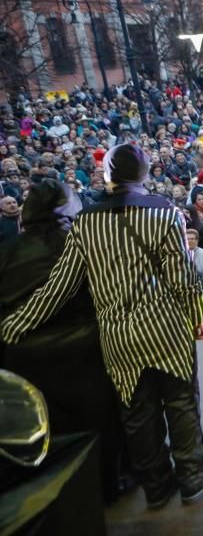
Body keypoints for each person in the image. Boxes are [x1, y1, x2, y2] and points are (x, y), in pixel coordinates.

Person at [0, 144, 203, 509]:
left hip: (117, 336)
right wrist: (197, 316)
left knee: (137, 413)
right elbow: (182, 280)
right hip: (166, 329)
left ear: (107, 177)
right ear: (145, 174)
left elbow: (60, 286)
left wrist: (16, 324)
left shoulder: (85, 223)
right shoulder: (164, 213)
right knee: (180, 403)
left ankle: (156, 488)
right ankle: (193, 480)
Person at [0, 179, 125, 502]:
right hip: (88, 352)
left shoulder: (7, 252)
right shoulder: (88, 246)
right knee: (103, 426)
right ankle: (110, 487)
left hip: (22, 360)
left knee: (43, 431)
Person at [185, 228, 203, 297]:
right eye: (187, 239)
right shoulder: (178, 255)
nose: (189, 241)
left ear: (197, 240)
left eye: (192, 239)